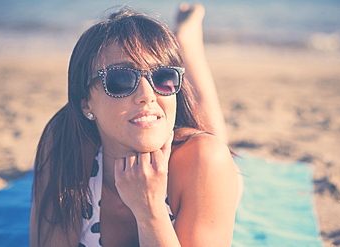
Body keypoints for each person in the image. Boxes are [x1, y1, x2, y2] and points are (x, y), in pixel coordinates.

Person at [30, 3, 241, 247]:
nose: (147, 94)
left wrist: (150, 210)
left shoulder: (206, 159)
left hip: (202, 168)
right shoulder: (65, 141)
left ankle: (188, 42)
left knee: (211, 135)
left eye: (164, 77)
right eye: (120, 79)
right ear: (87, 104)